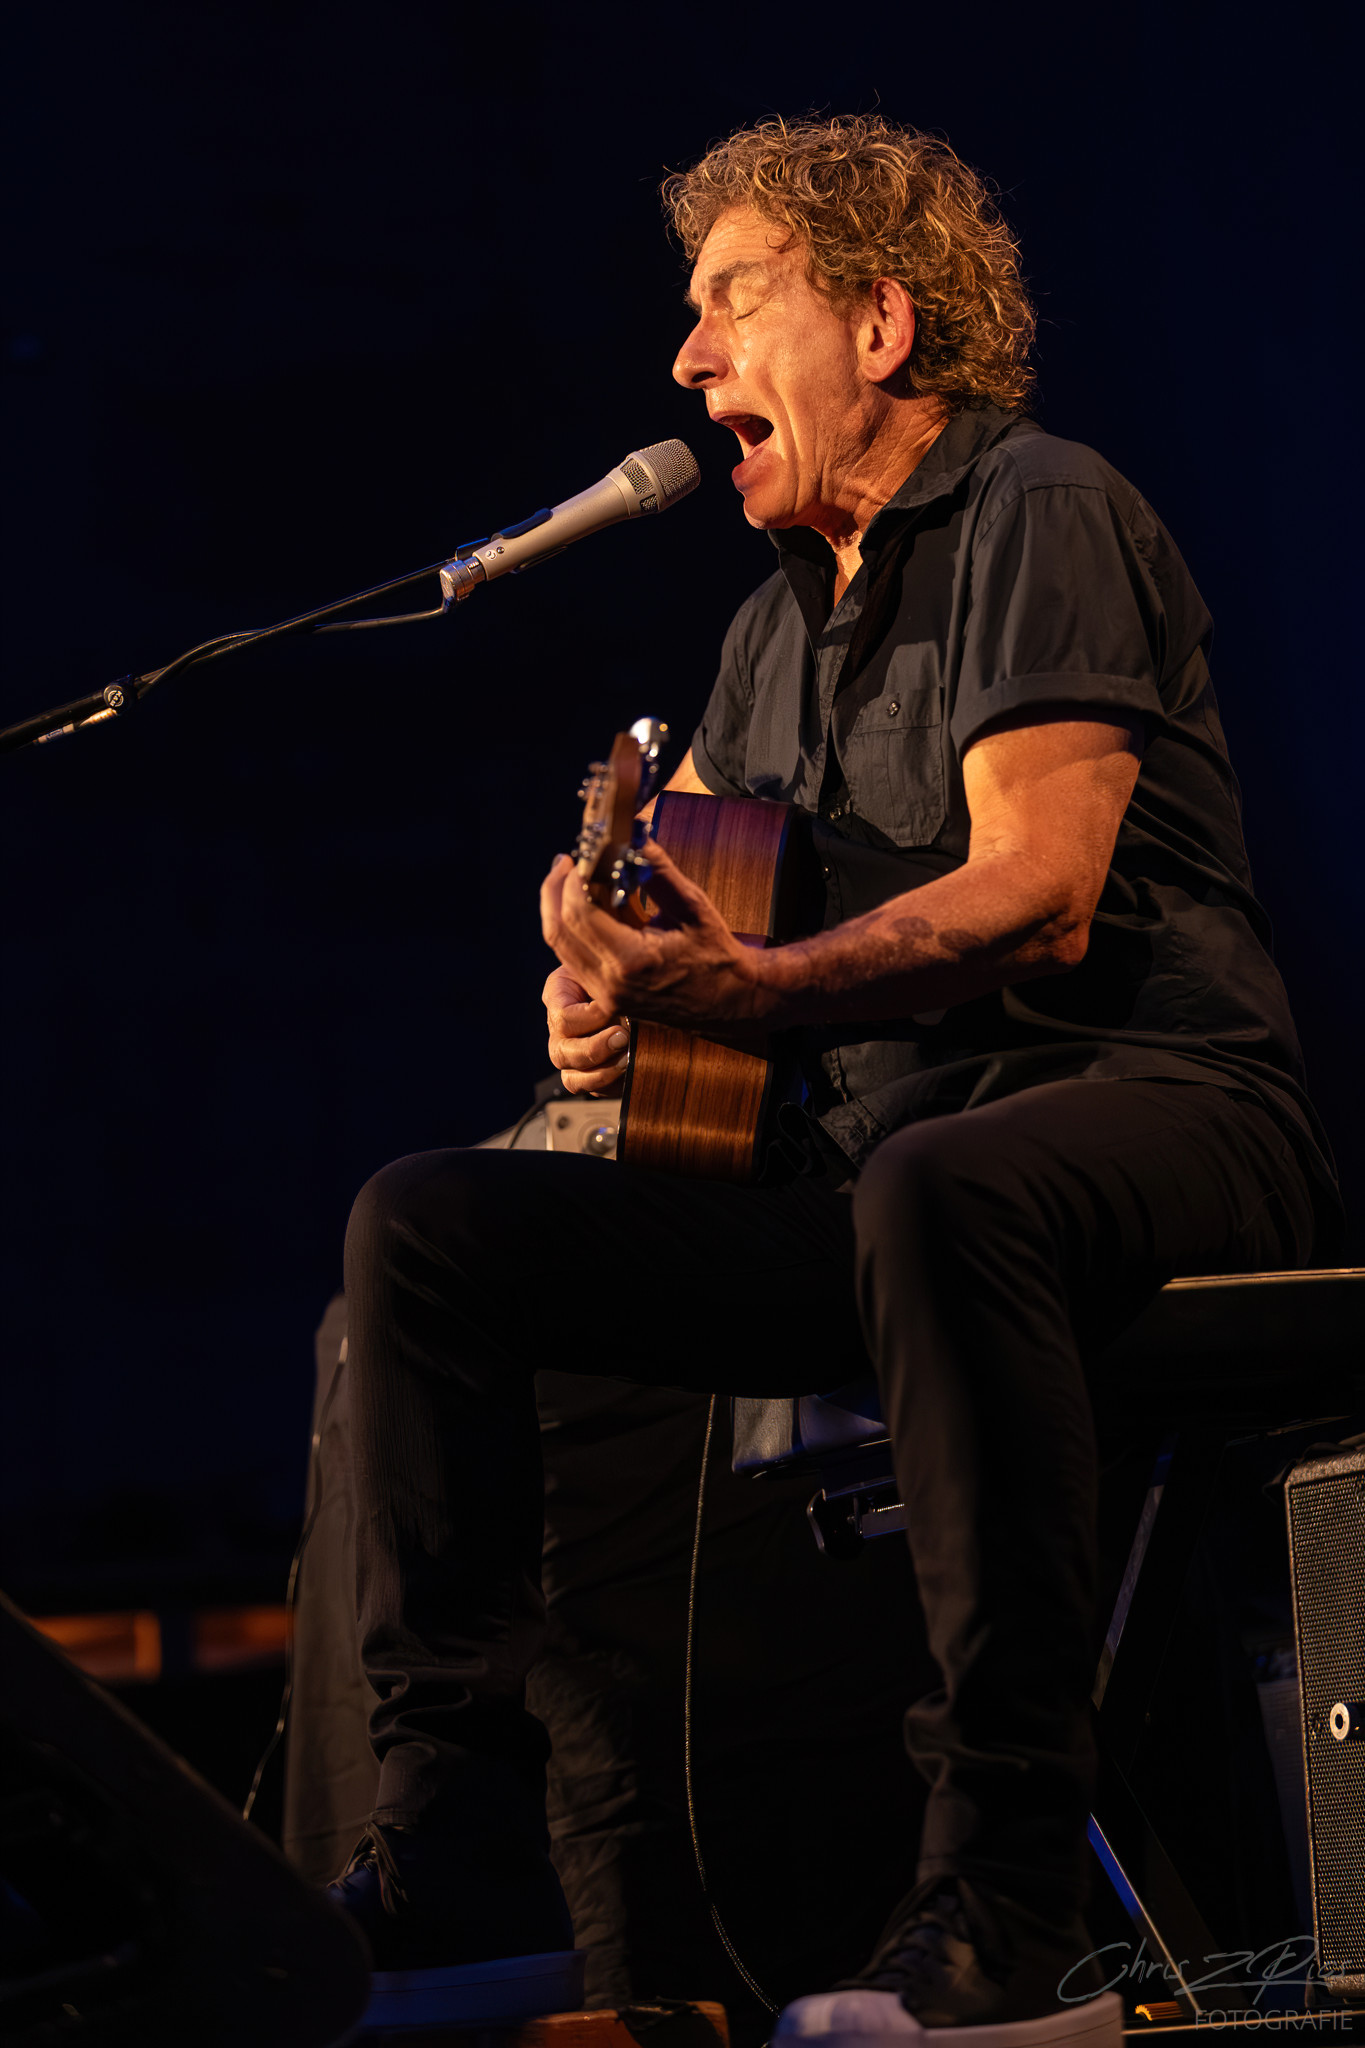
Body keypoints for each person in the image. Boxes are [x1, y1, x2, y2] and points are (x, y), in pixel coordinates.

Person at [329, 115, 1340, 2046]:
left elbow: (1039, 895)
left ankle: (1002, 1892)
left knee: (940, 1189)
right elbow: (701, 956)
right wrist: (611, 1002)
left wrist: (754, 983)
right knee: (432, 1227)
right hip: (888, 1184)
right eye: (688, 313)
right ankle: (453, 1845)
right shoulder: (762, 633)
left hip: (1158, 1111)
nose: (686, 359)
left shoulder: (1041, 506)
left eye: (732, 301)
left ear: (878, 325)